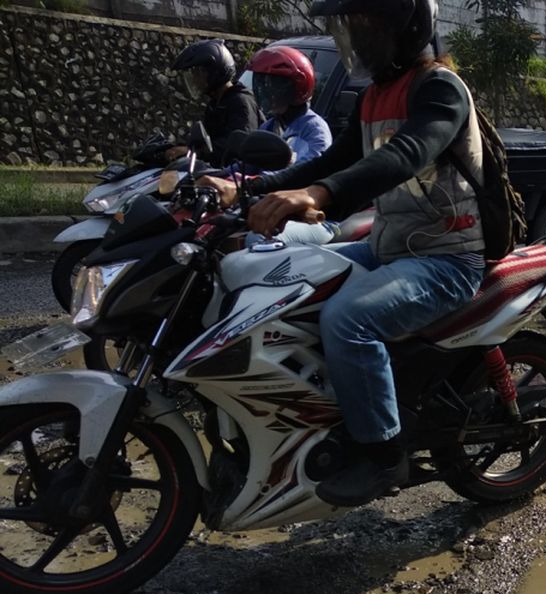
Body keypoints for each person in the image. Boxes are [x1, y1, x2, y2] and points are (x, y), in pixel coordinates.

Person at [201, 0, 486, 508]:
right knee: (278, 281)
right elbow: (331, 162)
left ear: (402, 25)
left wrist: (319, 196)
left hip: (448, 257)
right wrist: (245, 188)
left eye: (360, 22)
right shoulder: (374, 96)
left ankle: (382, 454)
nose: (349, 36)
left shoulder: (439, 89)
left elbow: (406, 155)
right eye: (346, 25)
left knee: (346, 320)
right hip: (389, 246)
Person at [244, 45, 338, 247]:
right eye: (263, 84)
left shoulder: (314, 129)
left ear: (297, 89)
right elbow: (249, 162)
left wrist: (255, 182)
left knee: (258, 238)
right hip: (273, 205)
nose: (266, 92)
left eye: (274, 86)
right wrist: (221, 176)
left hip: (312, 217)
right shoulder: (271, 125)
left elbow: (304, 172)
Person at [170, 39, 264, 166]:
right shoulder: (216, 104)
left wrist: (195, 152)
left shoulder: (241, 101)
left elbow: (239, 146)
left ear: (214, 71)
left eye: (199, 74)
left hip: (241, 178)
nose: (196, 80)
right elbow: (207, 140)